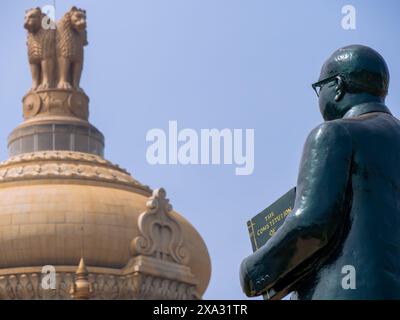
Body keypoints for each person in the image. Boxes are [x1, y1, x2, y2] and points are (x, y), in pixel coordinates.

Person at [240, 44, 400, 299]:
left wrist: (253, 271)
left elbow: (312, 224)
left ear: (337, 86)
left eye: (319, 88)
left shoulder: (335, 134)